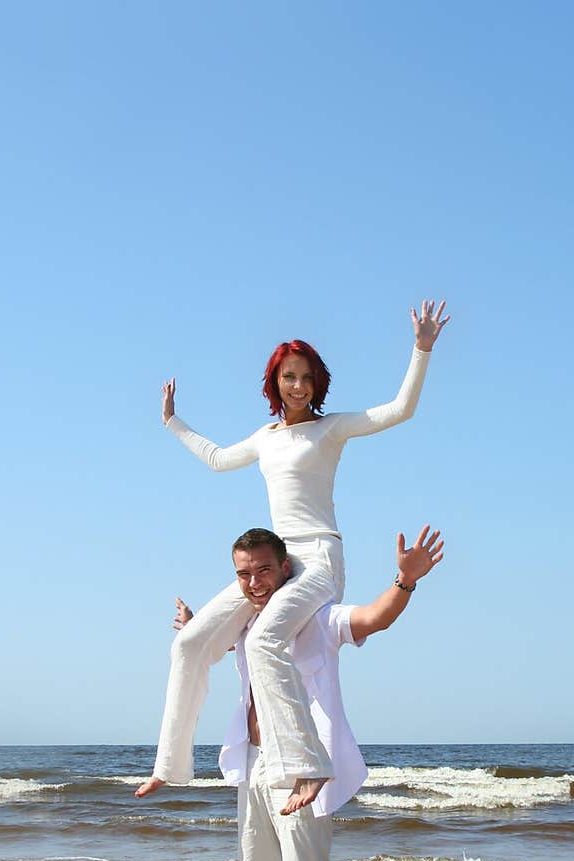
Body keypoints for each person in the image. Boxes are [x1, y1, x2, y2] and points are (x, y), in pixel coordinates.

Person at [136, 300, 450, 815]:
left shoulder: (331, 429)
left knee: (263, 641)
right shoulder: (265, 438)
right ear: (275, 382)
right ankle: (168, 765)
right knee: (191, 643)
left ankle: (310, 764)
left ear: (317, 382)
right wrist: (172, 422)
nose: (298, 386)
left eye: (306, 377)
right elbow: (217, 460)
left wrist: (422, 348)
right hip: (275, 563)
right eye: (288, 377)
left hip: (319, 559)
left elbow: (400, 410)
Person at [166, 522, 444, 861]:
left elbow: (372, 618)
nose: (253, 583)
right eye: (243, 575)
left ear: (286, 568)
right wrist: (192, 626)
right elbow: (211, 646)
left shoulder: (317, 617)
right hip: (253, 765)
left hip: (301, 770)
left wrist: (405, 581)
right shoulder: (247, 625)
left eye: (263, 570)